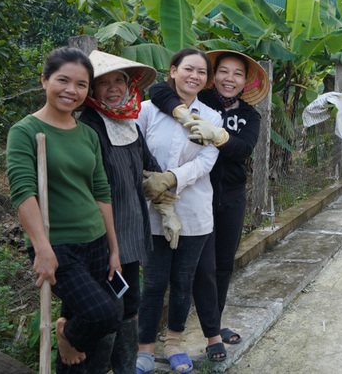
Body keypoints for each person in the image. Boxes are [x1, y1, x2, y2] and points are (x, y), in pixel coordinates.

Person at [148, 49, 270, 362]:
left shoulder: (250, 115)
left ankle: (213, 324)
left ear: (246, 82)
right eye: (224, 72)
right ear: (212, 77)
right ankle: (211, 331)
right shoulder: (202, 101)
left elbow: (243, 149)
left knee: (222, 265)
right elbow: (158, 90)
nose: (230, 79)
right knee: (197, 268)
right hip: (193, 194)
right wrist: (181, 113)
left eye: (238, 74)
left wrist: (218, 135)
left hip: (229, 195)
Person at [6, 47, 122, 373]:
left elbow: (101, 192)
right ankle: (66, 334)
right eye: (63, 80)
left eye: (82, 85)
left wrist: (114, 248)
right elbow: (23, 193)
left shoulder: (87, 134)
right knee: (104, 314)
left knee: (88, 336)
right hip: (58, 246)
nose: (72, 91)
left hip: (96, 241)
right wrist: (41, 248)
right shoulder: (25, 131)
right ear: (44, 80)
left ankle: (69, 341)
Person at [76, 51, 167, 374]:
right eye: (104, 83)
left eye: (119, 81)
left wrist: (166, 181)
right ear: (92, 90)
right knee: (105, 311)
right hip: (100, 238)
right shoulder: (87, 127)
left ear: (130, 86)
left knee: (128, 305)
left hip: (130, 235)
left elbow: (149, 167)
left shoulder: (127, 123)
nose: (113, 88)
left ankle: (125, 369)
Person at [135, 48, 222, 374]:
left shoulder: (211, 118)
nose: (194, 76)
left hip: (194, 210)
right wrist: (153, 184)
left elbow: (206, 161)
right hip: (153, 210)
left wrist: (172, 179)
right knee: (155, 282)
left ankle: (174, 344)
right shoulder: (146, 110)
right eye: (188, 69)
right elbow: (136, 149)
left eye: (201, 72)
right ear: (172, 71)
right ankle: (144, 348)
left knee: (184, 281)